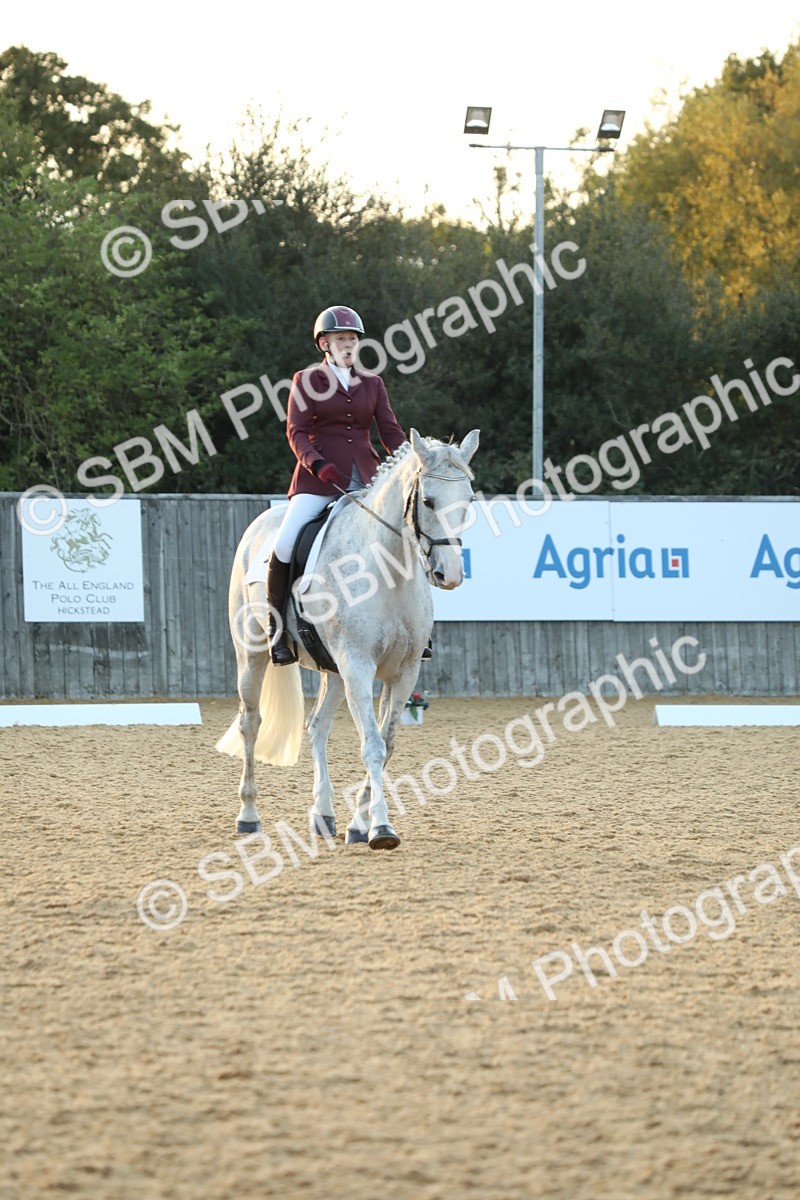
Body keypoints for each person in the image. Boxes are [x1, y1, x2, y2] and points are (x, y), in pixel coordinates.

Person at [267, 304, 409, 666]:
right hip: (318, 479)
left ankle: (411, 627)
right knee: (284, 544)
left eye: (352, 339)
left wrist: (411, 462)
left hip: (367, 477)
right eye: (340, 339)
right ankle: (278, 629)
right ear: (324, 344)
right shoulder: (306, 380)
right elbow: (295, 431)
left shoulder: (373, 383)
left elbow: (389, 431)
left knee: (404, 535)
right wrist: (316, 463)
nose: (348, 344)